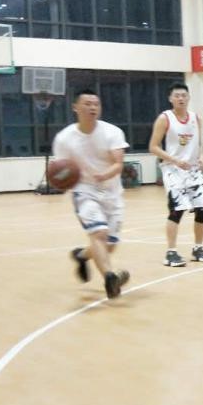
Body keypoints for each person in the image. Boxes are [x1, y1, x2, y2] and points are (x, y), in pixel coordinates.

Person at [53, 88, 131, 299]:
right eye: (87, 104)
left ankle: (81, 255)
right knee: (99, 233)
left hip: (111, 191)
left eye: (96, 104)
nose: (92, 107)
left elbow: (118, 163)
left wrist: (104, 175)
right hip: (84, 191)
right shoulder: (64, 138)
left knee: (109, 245)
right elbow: (61, 169)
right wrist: (61, 181)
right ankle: (110, 278)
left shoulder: (112, 132)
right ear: (75, 107)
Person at [148, 82, 203, 267]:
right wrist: (175, 160)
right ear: (170, 98)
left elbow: (199, 143)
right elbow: (153, 147)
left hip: (193, 170)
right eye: (177, 95)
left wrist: (201, 157)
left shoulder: (196, 118)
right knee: (177, 211)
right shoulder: (165, 118)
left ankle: (198, 248)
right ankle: (171, 252)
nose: (181, 98)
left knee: (202, 209)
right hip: (173, 170)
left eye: (184, 95)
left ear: (189, 97)